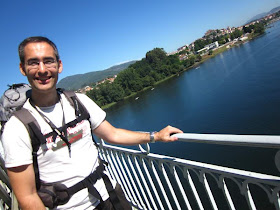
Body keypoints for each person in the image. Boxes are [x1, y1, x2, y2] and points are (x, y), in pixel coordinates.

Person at [1, 36, 183, 210]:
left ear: (59, 65)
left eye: (48, 61)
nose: (42, 69)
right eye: (33, 62)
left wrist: (155, 136)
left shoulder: (79, 101)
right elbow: (27, 196)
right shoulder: (16, 128)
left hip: (111, 196)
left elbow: (112, 134)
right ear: (22, 69)